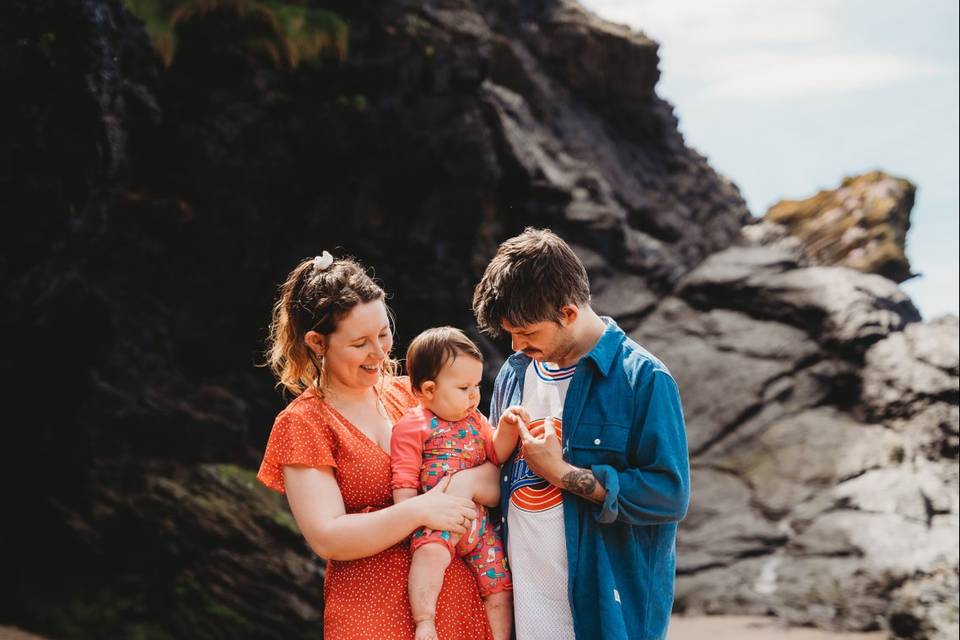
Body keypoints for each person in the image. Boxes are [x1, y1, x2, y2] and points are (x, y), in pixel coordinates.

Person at [257, 252, 498, 639]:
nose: (380, 352)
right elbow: (328, 537)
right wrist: (421, 509)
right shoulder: (302, 423)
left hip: (460, 609)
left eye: (383, 334)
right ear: (318, 343)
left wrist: (463, 486)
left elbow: (494, 468)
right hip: (371, 619)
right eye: (360, 343)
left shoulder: (416, 393)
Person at [472, 229, 691, 640]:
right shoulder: (513, 375)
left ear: (568, 312)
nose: (516, 345)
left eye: (528, 332)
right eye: (510, 334)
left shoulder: (643, 379)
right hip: (519, 615)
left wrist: (559, 472)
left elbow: (669, 495)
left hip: (605, 618)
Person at [391, 327, 524, 640]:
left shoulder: (476, 419)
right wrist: (408, 516)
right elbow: (405, 476)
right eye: (464, 387)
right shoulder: (414, 425)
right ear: (427, 390)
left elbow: (496, 453)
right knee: (429, 560)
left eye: (477, 385)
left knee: (500, 586)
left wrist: (506, 428)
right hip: (438, 519)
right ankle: (425, 621)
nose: (474, 395)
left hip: (478, 524)